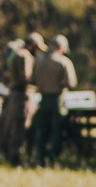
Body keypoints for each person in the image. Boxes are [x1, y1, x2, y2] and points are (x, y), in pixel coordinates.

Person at [29, 34, 79, 164]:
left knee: (41, 131)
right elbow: (72, 83)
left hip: (43, 99)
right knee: (56, 131)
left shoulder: (37, 61)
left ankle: (39, 158)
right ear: (60, 48)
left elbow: (32, 80)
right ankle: (53, 159)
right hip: (57, 100)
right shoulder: (63, 62)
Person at [0, 37, 36, 165]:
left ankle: (7, 154)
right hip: (19, 96)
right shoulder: (22, 56)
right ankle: (14, 158)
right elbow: (25, 77)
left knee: (10, 127)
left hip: (13, 96)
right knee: (18, 127)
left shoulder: (13, 57)